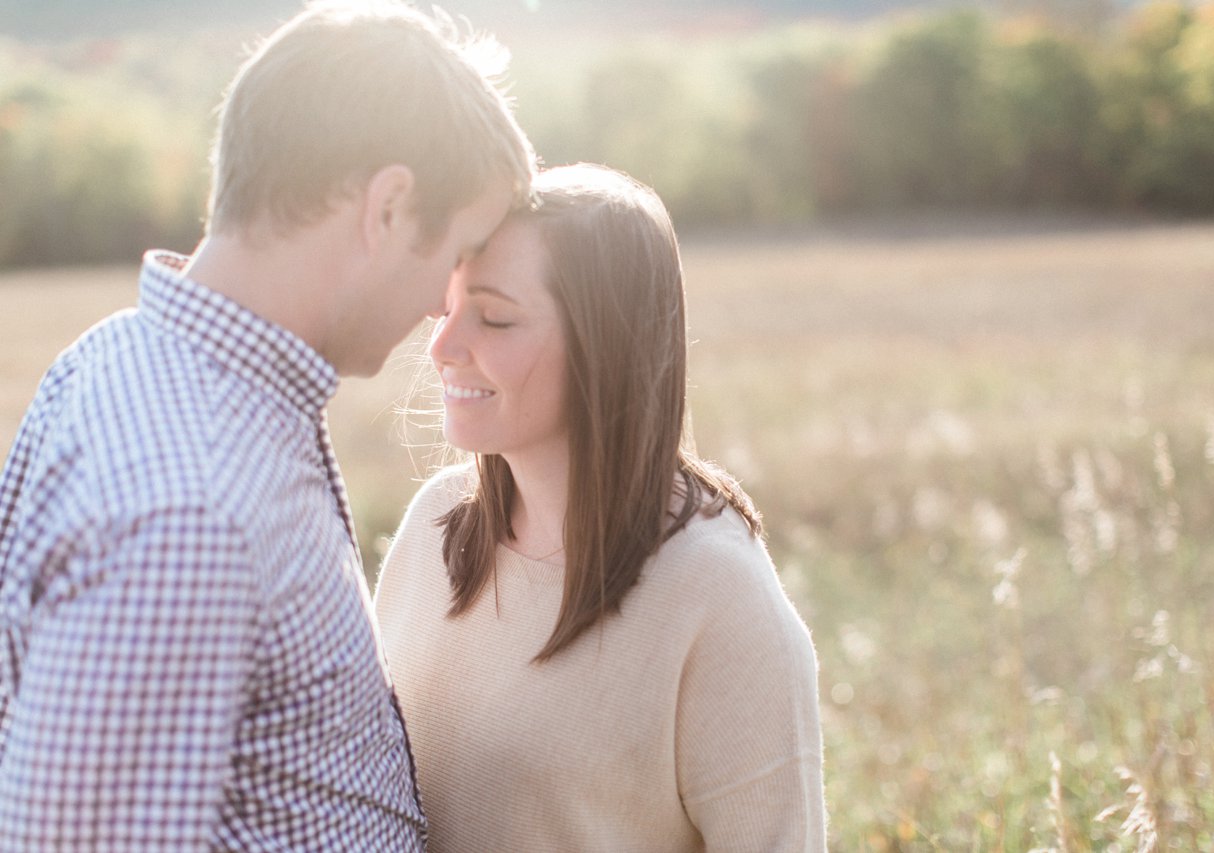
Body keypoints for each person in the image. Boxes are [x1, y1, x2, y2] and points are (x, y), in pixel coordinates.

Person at [0, 1, 535, 849]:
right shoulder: (192, 513)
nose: (444, 303)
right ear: (389, 208)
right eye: (454, 251)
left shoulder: (114, 358)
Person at [375, 163, 827, 851]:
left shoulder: (719, 598)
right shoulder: (433, 529)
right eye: (448, 306)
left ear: (604, 342)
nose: (441, 346)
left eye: (494, 317)